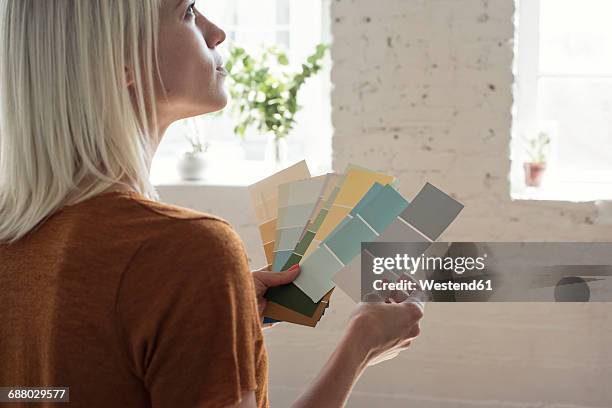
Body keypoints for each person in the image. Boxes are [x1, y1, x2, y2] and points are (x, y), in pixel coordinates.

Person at [0, 1, 423, 407]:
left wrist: (206, 315)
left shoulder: (14, 232)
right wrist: (360, 346)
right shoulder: (187, 249)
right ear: (121, 60)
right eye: (187, 11)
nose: (216, 33)